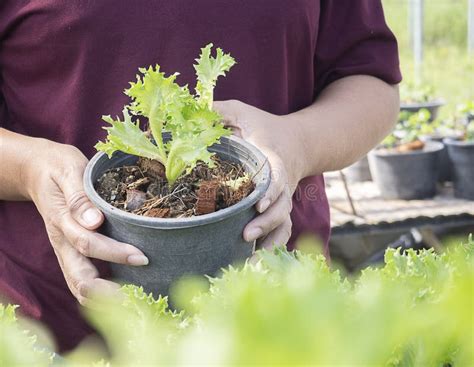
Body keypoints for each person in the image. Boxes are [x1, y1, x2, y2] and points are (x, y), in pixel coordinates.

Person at [0, 0, 401, 352]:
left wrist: (297, 144)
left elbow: (370, 81)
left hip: (277, 320)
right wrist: (29, 167)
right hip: (56, 333)